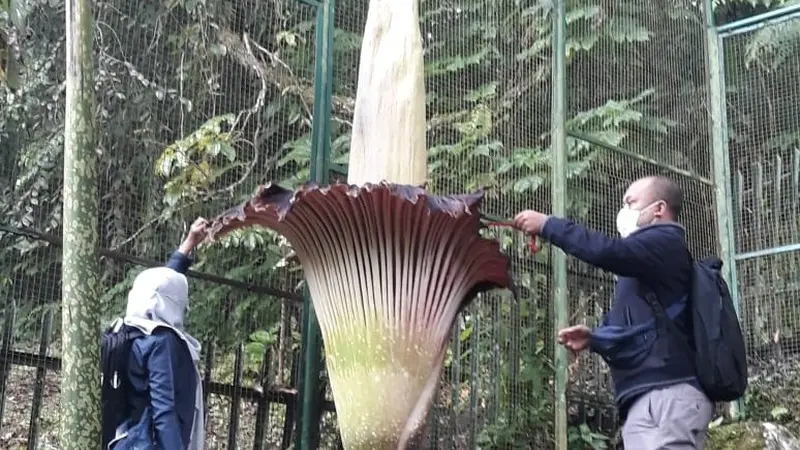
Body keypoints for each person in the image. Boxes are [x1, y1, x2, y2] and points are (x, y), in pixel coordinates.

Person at [513, 176, 714, 449]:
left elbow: (609, 252)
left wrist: (549, 225)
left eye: (631, 202)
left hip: (671, 394)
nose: (624, 211)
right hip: (642, 397)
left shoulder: (665, 243)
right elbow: (639, 329)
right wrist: (594, 338)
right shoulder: (644, 262)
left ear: (659, 208)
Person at [101, 217, 209, 450]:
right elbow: (164, 412)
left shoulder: (127, 330)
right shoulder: (162, 342)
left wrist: (189, 242)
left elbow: (160, 287)